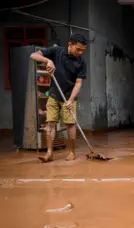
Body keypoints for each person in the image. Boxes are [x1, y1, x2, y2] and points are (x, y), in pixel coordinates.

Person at [30, 33, 87, 162]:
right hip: (54, 94)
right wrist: (47, 60)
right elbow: (33, 55)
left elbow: (78, 83)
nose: (80, 52)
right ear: (70, 45)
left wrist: (71, 100)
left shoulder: (81, 62)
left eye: (83, 50)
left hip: (69, 96)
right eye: (78, 49)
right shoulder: (56, 51)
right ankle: (49, 153)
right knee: (50, 123)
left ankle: (72, 152)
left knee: (70, 125)